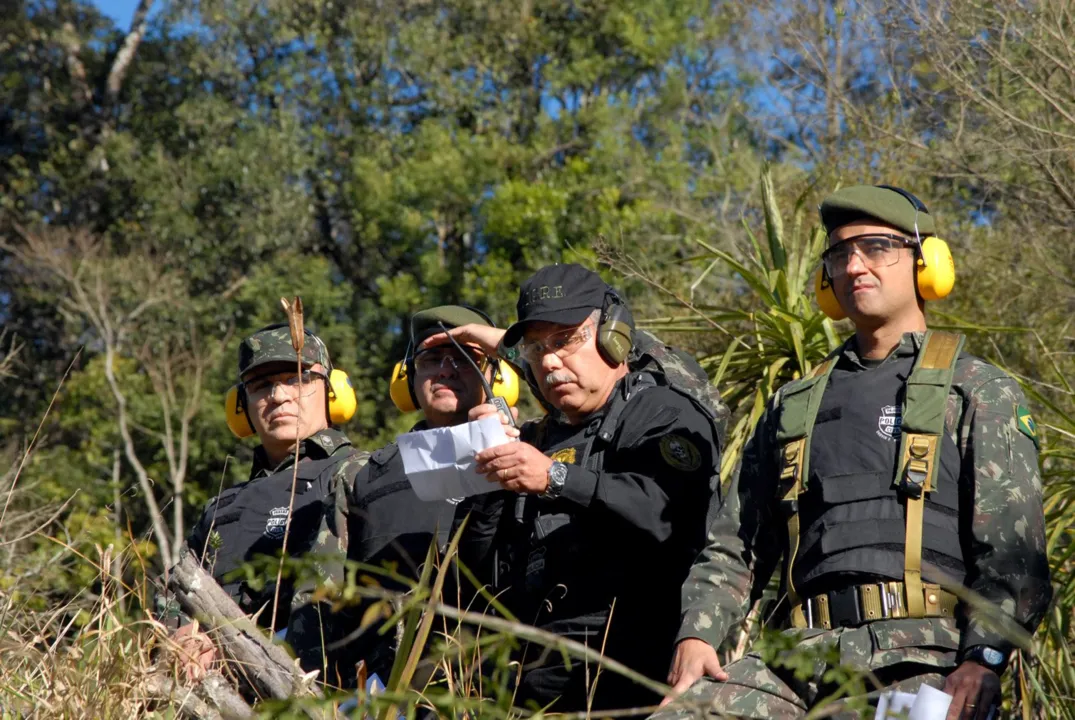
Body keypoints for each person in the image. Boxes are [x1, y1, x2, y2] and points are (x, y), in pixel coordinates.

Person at [654, 186, 1052, 720]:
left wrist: (981, 659)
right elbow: (734, 548)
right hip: (792, 660)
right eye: (840, 253)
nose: (855, 265)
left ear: (925, 262)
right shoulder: (792, 405)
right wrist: (698, 637)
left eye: (876, 247)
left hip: (924, 660)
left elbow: (1011, 556)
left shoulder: (977, 389)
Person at [429, 264, 728, 711]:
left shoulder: (661, 412)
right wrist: (488, 477)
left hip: (634, 667)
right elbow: (475, 580)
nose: (549, 361)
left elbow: (668, 515)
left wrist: (554, 478)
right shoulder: (534, 437)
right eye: (536, 348)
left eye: (565, 340)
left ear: (613, 335)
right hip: (533, 677)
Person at [287, 305, 520, 687]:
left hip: (506, 687)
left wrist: (509, 345)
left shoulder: (534, 449)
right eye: (430, 360)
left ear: (496, 375)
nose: (445, 370)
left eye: (465, 358)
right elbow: (320, 599)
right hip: (391, 692)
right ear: (408, 378)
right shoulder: (362, 474)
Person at [174, 323, 364, 680]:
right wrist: (181, 635)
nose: (278, 396)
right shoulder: (221, 508)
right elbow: (175, 592)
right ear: (240, 407)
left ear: (333, 391)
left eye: (296, 379)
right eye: (261, 386)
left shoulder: (364, 475)